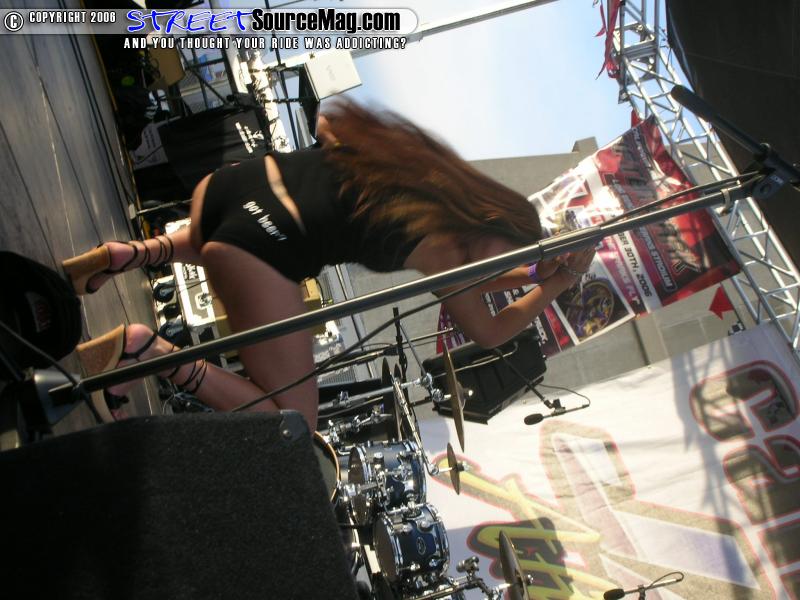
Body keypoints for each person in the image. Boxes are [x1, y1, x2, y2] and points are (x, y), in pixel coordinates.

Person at [63, 101, 595, 430]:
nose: (496, 265)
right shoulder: (447, 249)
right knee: (292, 419)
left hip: (227, 189)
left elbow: (329, 118)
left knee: (225, 242)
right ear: (493, 228)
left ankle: (126, 255)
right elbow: (490, 330)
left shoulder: (425, 177)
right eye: (507, 254)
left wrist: (535, 273)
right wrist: (560, 282)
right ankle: (147, 353)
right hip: (260, 243)